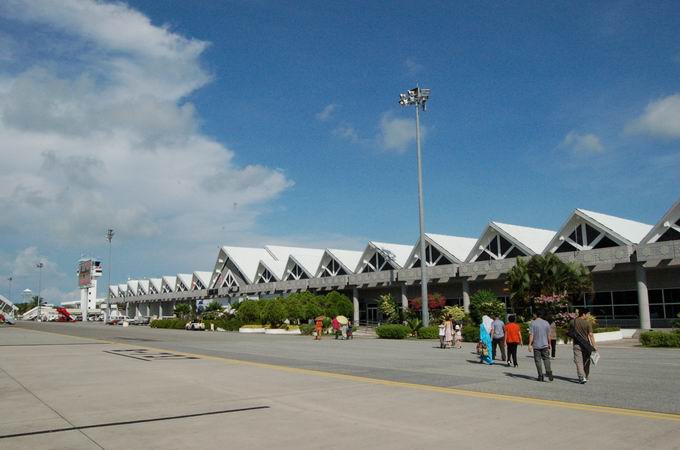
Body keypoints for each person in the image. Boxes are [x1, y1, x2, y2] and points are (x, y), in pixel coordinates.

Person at [571, 309, 597, 384]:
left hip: (576, 344)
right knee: (586, 361)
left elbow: (570, 332)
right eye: (588, 314)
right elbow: (591, 335)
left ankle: (581, 377)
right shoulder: (587, 323)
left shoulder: (573, 321)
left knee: (578, 361)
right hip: (586, 345)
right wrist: (594, 345)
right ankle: (586, 376)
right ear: (583, 314)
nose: (589, 316)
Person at [529, 312, 553, 381]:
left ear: (535, 314)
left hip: (536, 345)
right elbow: (549, 335)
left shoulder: (533, 323)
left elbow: (531, 335)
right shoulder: (546, 323)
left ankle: (540, 376)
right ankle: (548, 371)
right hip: (545, 344)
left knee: (538, 361)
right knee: (546, 359)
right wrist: (549, 344)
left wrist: (530, 344)